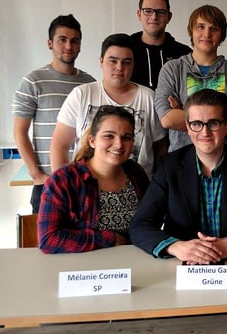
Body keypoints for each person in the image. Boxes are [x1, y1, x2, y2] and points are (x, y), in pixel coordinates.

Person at [130, 89, 227, 264]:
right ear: (188, 127)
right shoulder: (168, 166)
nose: (205, 132)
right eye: (196, 124)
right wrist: (178, 247)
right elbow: (140, 225)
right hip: (181, 264)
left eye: (213, 123)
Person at [50, 33, 167, 178]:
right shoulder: (81, 94)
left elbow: (160, 147)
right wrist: (61, 184)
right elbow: (59, 146)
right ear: (101, 61)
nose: (119, 67)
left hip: (139, 189)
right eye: (113, 61)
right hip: (86, 188)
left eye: (126, 62)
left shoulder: (148, 97)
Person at [13, 14, 95, 214]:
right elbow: (19, 132)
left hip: (83, 183)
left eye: (74, 41)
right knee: (47, 243)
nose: (69, 46)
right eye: (62, 40)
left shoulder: (90, 84)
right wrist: (36, 174)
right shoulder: (33, 81)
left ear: (80, 45)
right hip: (48, 183)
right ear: (50, 43)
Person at [38, 106, 149, 254]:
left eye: (126, 137)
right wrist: (112, 238)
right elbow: (48, 239)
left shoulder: (136, 173)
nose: (119, 144)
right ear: (92, 141)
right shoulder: (63, 180)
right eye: (109, 136)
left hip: (134, 264)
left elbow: (149, 222)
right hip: (83, 271)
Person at [155, 5, 227, 152]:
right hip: (182, 160)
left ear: (222, 35)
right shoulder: (172, 70)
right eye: (201, 27)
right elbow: (167, 119)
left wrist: (184, 112)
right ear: (191, 31)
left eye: (214, 29)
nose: (207, 34)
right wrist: (220, 120)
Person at [130, 0, 191, 90]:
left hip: (173, 107)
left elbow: (192, 94)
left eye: (161, 12)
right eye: (148, 11)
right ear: (139, 15)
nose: (154, 17)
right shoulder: (126, 50)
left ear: (169, 17)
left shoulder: (184, 54)